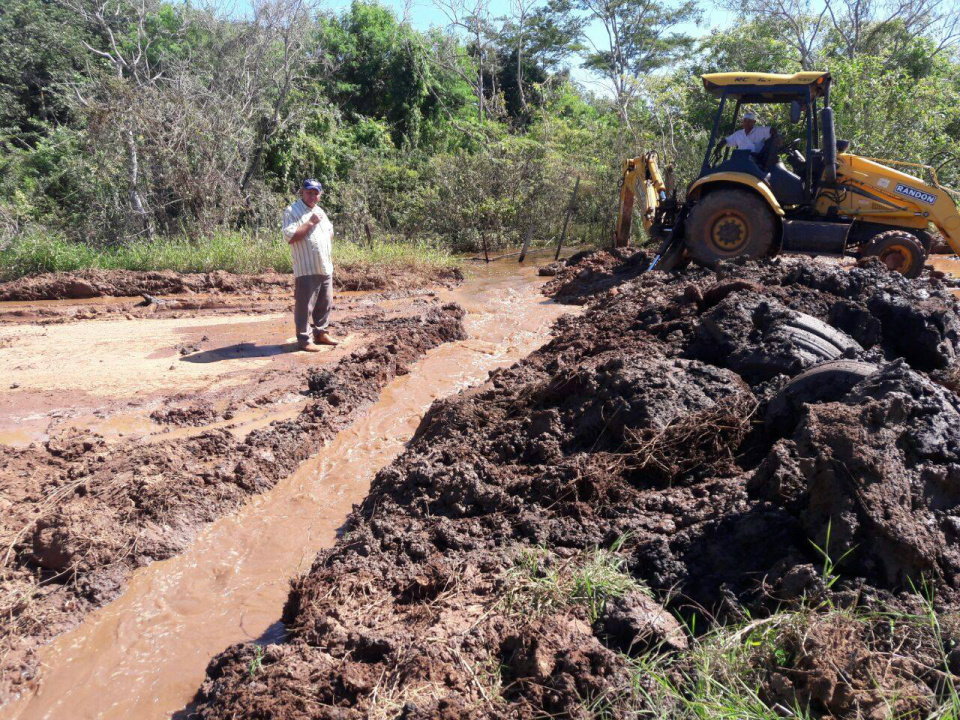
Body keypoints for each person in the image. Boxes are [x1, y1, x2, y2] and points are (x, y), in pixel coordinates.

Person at [282, 179, 339, 352]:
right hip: (306, 267)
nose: (312, 195)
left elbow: (330, 232)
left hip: (324, 266)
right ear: (302, 192)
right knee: (304, 306)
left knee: (325, 302)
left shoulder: (320, 210)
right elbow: (290, 237)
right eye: (309, 192)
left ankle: (321, 333)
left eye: (316, 193)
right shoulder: (292, 211)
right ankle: (304, 339)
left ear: (320, 195)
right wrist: (310, 223)